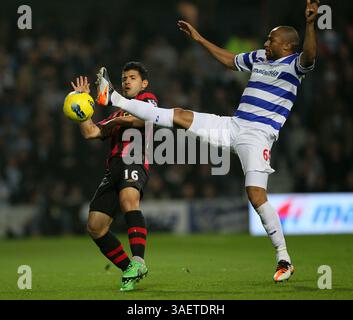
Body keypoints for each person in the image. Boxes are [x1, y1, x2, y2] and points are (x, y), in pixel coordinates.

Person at [95, 0, 319, 282]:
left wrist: (311, 24)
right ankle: (113, 97)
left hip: (258, 134)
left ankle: (283, 258)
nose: (265, 43)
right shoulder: (260, 58)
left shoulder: (293, 63)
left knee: (255, 194)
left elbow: (310, 56)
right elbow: (229, 60)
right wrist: (200, 39)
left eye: (271, 40)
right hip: (233, 125)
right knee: (178, 115)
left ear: (287, 46)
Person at [71, 62, 158, 291]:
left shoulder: (147, 99)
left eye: (132, 77)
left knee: (129, 200)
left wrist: (117, 120)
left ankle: (139, 260)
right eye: (124, 78)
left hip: (134, 159)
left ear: (143, 83)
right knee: (95, 227)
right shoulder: (117, 112)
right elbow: (91, 132)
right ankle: (129, 268)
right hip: (113, 168)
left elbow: (145, 119)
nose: (127, 81)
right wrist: (82, 107)